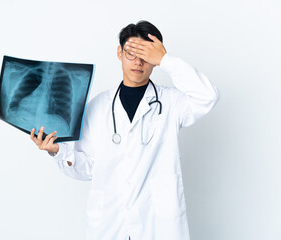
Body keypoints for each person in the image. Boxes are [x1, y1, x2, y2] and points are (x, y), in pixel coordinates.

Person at [30, 20, 219, 240]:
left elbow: (208, 96)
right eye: (131, 53)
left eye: (146, 55)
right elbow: (89, 168)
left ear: (155, 60)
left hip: (156, 225)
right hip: (110, 224)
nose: (138, 62)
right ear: (119, 53)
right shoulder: (97, 107)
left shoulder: (171, 103)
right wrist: (58, 151)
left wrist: (166, 60)